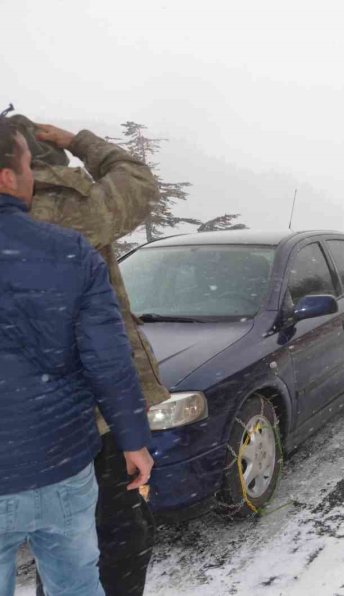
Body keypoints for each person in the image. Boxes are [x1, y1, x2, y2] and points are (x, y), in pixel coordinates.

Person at [5, 113, 170, 596]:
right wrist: (78, 141)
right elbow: (138, 182)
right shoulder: (66, 206)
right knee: (107, 546)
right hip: (82, 426)